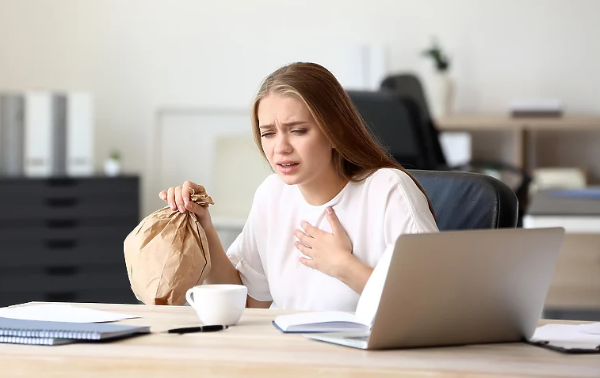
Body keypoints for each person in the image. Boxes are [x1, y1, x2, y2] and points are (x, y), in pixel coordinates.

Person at [159, 62, 438, 312]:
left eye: (298, 130)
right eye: (268, 133)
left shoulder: (389, 190)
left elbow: (430, 308)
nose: (280, 148)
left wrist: (342, 266)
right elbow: (248, 302)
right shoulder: (272, 194)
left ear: (335, 131)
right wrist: (203, 227)